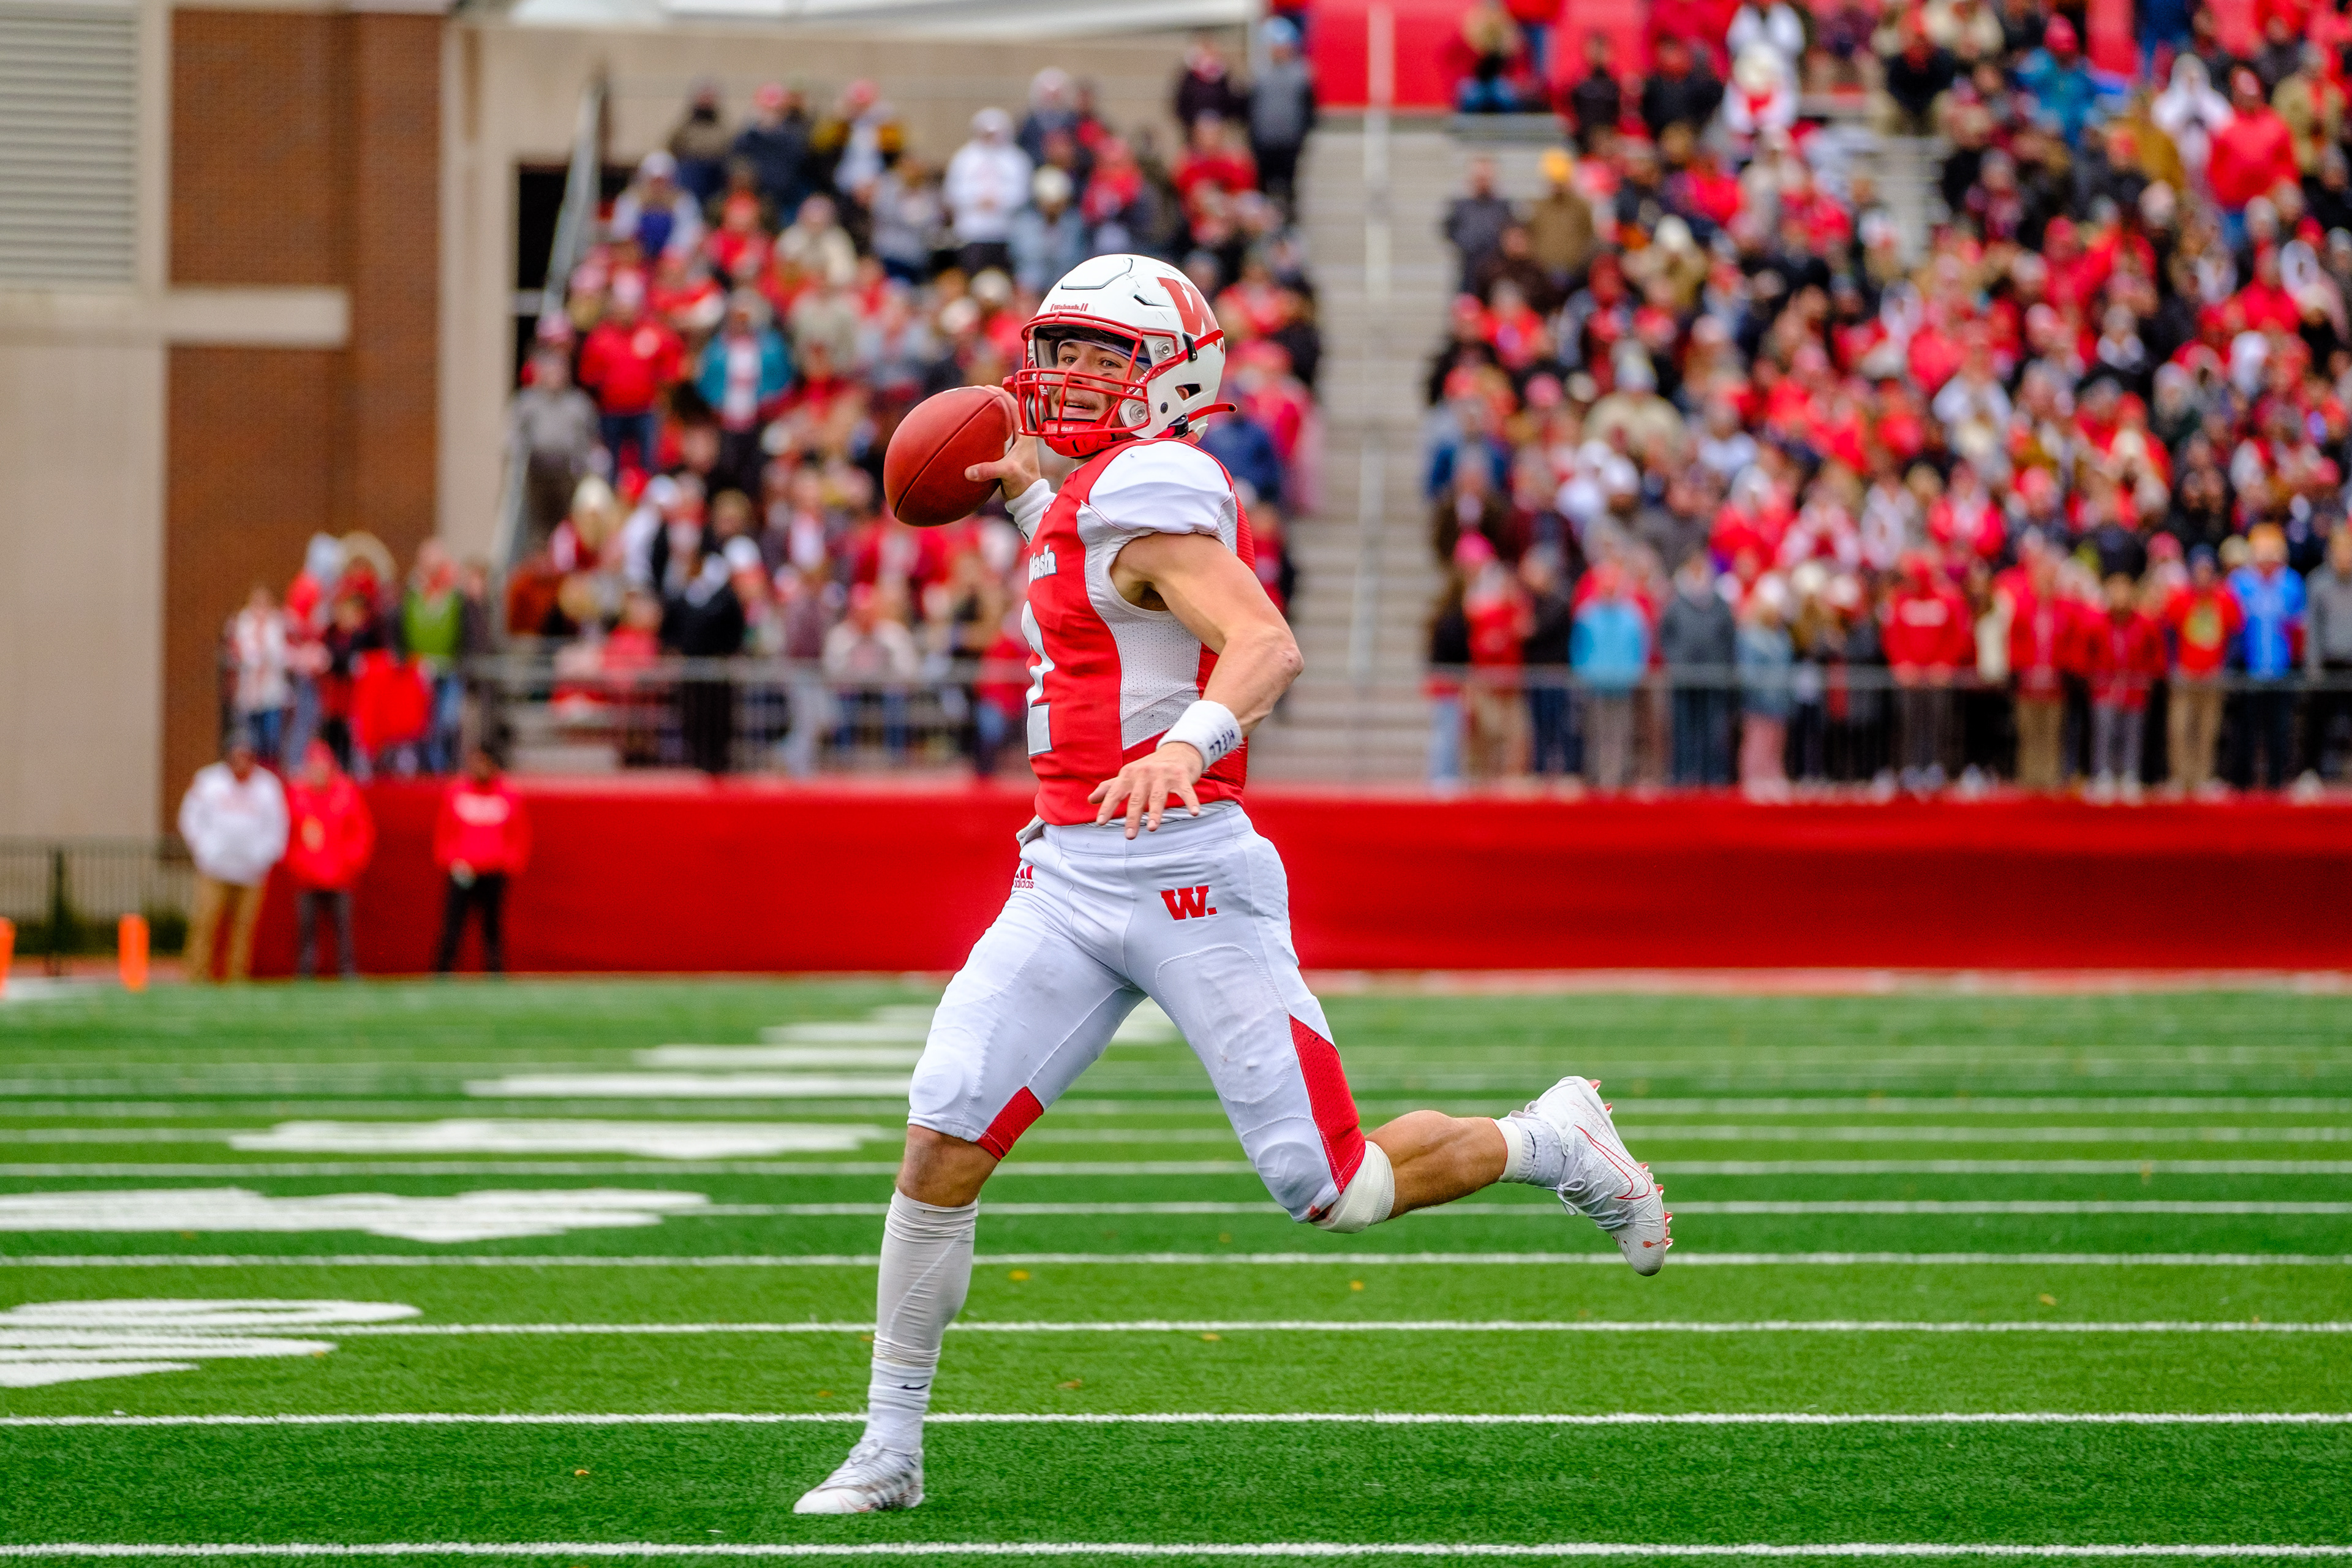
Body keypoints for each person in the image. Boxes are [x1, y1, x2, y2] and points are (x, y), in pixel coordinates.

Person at [793, 252, 1672, 1516]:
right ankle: (891, 1444)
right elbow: (1094, 564)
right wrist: (1023, 490)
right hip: (1065, 874)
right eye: (1066, 352)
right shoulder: (1084, 491)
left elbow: (1262, 639)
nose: (1075, 378)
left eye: (1109, 357)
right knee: (942, 1131)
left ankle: (1554, 1138)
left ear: (1176, 376)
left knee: (1334, 1186)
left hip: (1190, 868)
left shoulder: (1154, 487)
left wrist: (1182, 743)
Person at [177, 741, 288, 984]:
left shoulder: (268, 786)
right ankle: (196, 977)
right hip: (214, 869)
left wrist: (265, 856)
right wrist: (203, 849)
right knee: (205, 923)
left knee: (243, 929)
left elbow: (278, 826)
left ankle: (237, 980)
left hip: (251, 873)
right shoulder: (208, 781)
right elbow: (189, 817)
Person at [431, 747, 529, 976]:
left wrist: (508, 864)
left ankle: (495, 973)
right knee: (453, 926)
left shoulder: (508, 794)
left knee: (492, 927)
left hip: (494, 872)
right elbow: (444, 833)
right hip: (463, 871)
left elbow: (519, 834)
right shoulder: (456, 792)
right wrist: (452, 861)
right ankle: (443, 972)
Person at [282, 740, 374, 979]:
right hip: (307, 877)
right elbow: (287, 834)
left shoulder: (346, 792)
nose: (319, 773)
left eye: (323, 767)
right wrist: (297, 864)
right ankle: (305, 973)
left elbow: (362, 832)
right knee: (306, 931)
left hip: (340, 876)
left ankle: (347, 972)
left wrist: (351, 863)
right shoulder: (297, 795)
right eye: (314, 767)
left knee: (344, 930)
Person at [2230, 524, 2307, 791]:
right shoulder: (2239, 582)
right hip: (2247, 668)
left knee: (2279, 730)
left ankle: (2276, 782)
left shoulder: (2292, 583)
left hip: (2281, 668)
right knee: (2245, 730)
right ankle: (2241, 782)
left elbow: (2299, 628)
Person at [2165, 545, 2241, 795]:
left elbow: (2235, 635)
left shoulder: (2225, 598)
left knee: (2208, 729)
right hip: (2186, 674)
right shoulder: (2180, 598)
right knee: (2180, 728)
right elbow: (2169, 633)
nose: (2203, 576)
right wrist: (2174, 665)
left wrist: (2225, 666)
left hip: (2213, 675)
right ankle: (2180, 777)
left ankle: (2203, 777)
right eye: (2199, 570)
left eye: (2208, 570)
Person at [2083, 573, 2165, 803]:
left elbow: (2157, 654)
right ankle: (2102, 775)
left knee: (2133, 735)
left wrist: (2150, 676)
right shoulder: (2097, 623)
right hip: (2104, 690)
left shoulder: (2145, 624)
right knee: (2103, 734)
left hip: (2135, 691)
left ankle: (2130, 776)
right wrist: (2090, 674)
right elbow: (2085, 653)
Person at [1660, 551, 1737, 785]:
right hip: (1683, 679)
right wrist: (1676, 661)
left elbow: (1729, 638)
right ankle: (1682, 776)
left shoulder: (1720, 604)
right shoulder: (1675, 604)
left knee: (1712, 732)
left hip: (1713, 678)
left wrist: (1720, 663)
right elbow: (1665, 636)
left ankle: (1712, 777)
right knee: (1683, 731)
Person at [944, 108, 1033, 279]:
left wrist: (1000, 200)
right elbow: (953, 191)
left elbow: (1023, 193)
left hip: (1006, 231)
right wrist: (978, 198)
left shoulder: (1016, 159)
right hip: (972, 231)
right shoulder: (964, 159)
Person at [1246, 18, 1317, 214]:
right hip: (1264, 140)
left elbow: (1309, 107)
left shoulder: (1301, 73)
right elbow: (1252, 107)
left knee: (1289, 184)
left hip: (1290, 140)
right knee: (1263, 185)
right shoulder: (1260, 73)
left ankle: (1289, 222)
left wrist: (1303, 134)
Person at [2304, 527, 2352, 785]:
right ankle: (2310, 773)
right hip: (2329, 660)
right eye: (2340, 552)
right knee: (2317, 720)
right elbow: (2313, 627)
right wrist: (2312, 664)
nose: (2345, 557)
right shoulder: (2318, 582)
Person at [227, 585, 293, 763]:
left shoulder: (276, 625)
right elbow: (245, 656)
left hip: (271, 691)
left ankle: (271, 769)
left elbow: (278, 656)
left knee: (271, 737)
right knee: (250, 737)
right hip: (250, 691)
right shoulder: (244, 624)